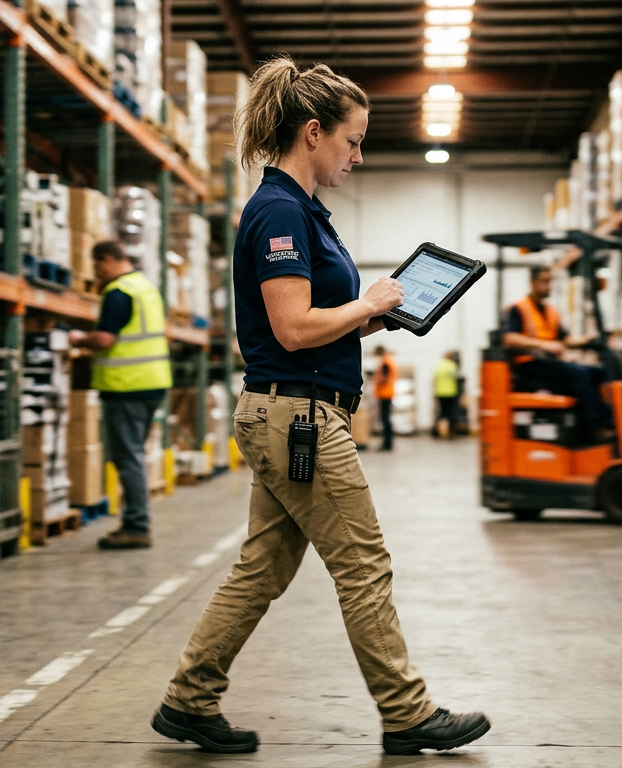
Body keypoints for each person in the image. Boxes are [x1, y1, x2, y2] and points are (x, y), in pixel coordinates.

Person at [152, 57, 490, 757]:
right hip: (297, 418)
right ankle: (407, 712)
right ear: (313, 133)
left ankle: (188, 699)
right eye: (352, 141)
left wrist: (372, 317)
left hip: (294, 410)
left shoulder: (302, 211)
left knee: (262, 569)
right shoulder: (279, 210)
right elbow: (292, 329)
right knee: (363, 563)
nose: (357, 156)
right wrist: (366, 303)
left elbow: (312, 326)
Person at [68, 240, 171, 550]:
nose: (96, 273)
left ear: (107, 260)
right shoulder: (145, 287)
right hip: (152, 382)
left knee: (128, 457)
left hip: (127, 385)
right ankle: (136, 522)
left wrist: (78, 339)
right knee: (133, 454)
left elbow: (105, 339)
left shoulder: (118, 292)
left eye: (96, 265)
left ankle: (137, 526)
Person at [502, 265, 612, 440]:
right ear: (533, 282)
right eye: (545, 281)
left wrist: (589, 339)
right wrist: (545, 345)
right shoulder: (519, 308)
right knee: (581, 374)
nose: (549, 286)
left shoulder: (551, 311)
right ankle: (595, 427)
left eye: (550, 281)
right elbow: (509, 338)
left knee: (597, 372)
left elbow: (566, 339)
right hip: (528, 365)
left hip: (549, 363)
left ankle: (585, 426)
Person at [373, 345, 398, 451]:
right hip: (386, 393)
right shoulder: (387, 361)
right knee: (385, 418)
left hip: (385, 394)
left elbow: (385, 378)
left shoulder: (385, 363)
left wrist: (376, 379)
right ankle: (387, 442)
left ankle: (387, 443)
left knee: (385, 419)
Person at [433, 350, 461, 439]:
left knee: (442, 413)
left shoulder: (439, 366)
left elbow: (435, 379)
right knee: (452, 413)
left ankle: (441, 432)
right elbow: (458, 378)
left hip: (440, 393)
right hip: (451, 392)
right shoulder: (453, 366)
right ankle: (450, 432)